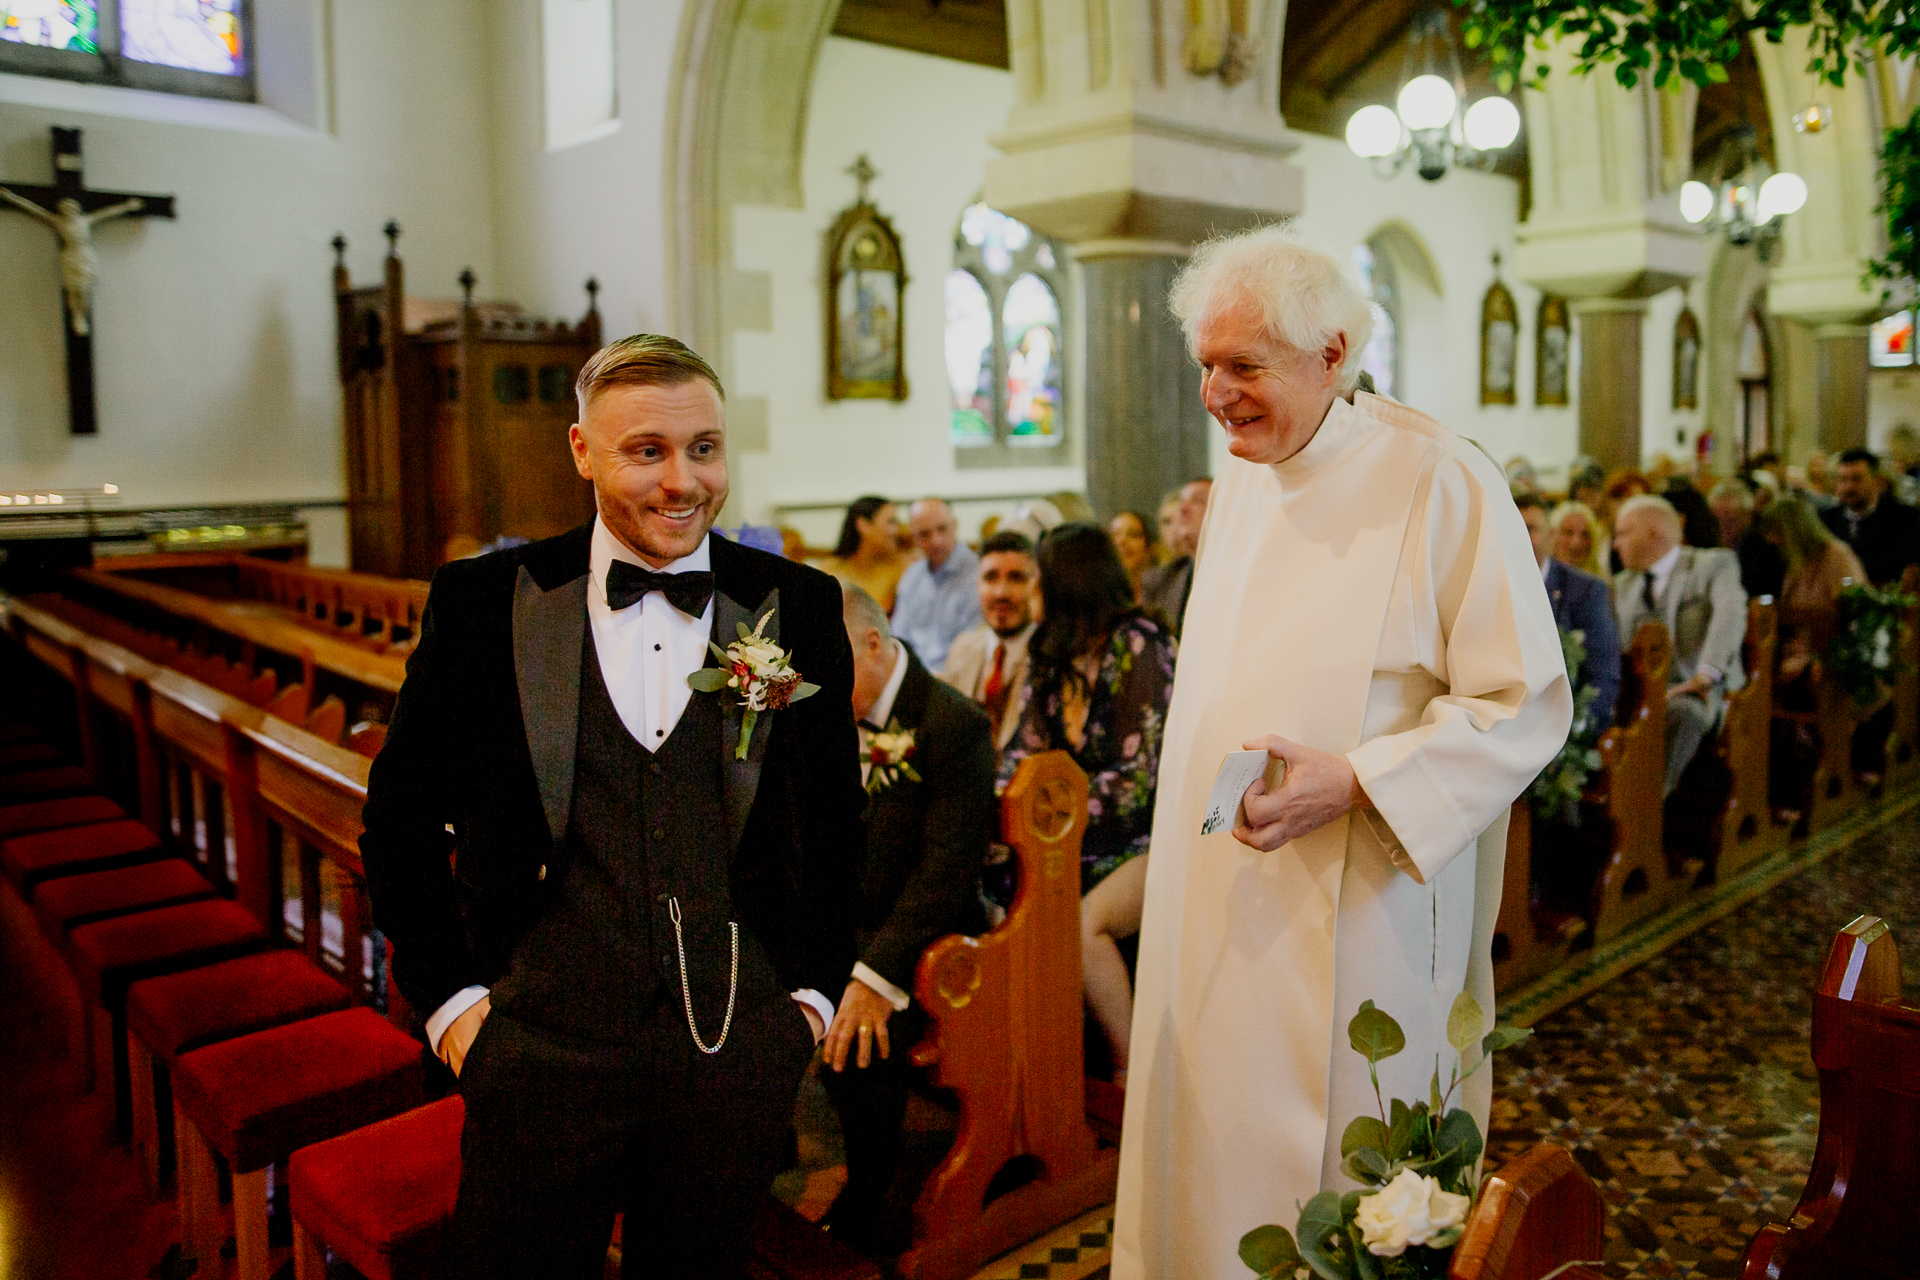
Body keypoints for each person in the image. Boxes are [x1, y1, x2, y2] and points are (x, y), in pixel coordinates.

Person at [1112, 231, 1570, 1280]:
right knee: (1204, 1165)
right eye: (1206, 365)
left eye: (1243, 366)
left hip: (1363, 905)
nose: (1216, 395)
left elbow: (1525, 702)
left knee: (1333, 1188)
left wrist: (1361, 777)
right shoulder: (1240, 479)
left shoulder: (1440, 479)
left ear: (1333, 353)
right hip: (1217, 904)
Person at [359, 334, 864, 1280]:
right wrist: (455, 1009)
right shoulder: (484, 603)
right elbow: (399, 824)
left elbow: (834, 821)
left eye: (705, 448)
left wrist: (807, 1003)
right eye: (648, 451)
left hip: (731, 1056)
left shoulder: (793, 605)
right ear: (583, 450)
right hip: (537, 1053)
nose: (684, 481)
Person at [820, 584, 995, 1254]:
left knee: (861, 1025)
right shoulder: (832, 713)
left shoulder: (953, 723)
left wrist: (873, 974)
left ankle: (874, 1186)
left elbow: (945, 877)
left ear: (873, 643)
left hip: (933, 937)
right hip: (851, 921)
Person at [999, 523, 1176, 1088]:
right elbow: (1019, 754)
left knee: (1080, 924)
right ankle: (1036, 1073)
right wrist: (1004, 801)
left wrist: (1049, 812)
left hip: (1153, 838)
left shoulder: (1141, 644)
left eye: (1034, 579)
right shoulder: (1051, 650)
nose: (1028, 594)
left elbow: (1137, 784)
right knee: (995, 891)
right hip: (1070, 837)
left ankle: (1131, 1074)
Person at [1612, 495, 1748, 796]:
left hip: (1695, 688)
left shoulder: (1712, 564)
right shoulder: (1623, 584)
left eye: (1622, 533)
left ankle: (1649, 804)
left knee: (1685, 713)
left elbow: (1730, 614)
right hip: (1639, 693)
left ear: (1655, 533)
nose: (1615, 544)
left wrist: (1705, 675)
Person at [1518, 493, 1620, 726]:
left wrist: (1578, 727)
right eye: (1512, 527)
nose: (1520, 536)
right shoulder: (1491, 586)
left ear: (1550, 535)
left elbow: (1602, 672)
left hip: (1564, 720)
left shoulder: (1585, 590)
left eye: (1531, 529)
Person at [944, 530, 1039, 750]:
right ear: (977, 585)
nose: (1000, 593)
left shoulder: (1051, 653)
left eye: (1016, 578)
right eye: (990, 577)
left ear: (1036, 586)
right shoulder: (962, 648)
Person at [889, 498, 981, 672]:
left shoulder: (979, 575)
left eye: (942, 529)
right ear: (913, 537)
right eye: (924, 534)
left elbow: (974, 645)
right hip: (914, 677)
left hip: (959, 677)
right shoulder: (911, 577)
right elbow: (899, 638)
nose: (936, 540)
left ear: (955, 525)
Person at [1822, 447, 1920, 587]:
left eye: (1857, 479)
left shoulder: (1904, 518)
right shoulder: (1828, 519)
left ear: (1876, 481)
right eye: (1843, 479)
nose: (1848, 487)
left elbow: (1904, 565)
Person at [1138, 477, 1211, 633]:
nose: (1183, 509)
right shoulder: (1161, 580)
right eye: (1181, 502)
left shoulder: (1241, 574)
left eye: (1198, 501)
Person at [828, 496, 910, 613]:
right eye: (891, 522)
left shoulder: (903, 570)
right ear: (863, 525)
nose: (897, 530)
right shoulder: (830, 571)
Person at [1710, 477, 1786, 600]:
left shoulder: (1764, 548)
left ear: (1747, 516)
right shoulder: (1707, 543)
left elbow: (1763, 595)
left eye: (1730, 520)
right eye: (1716, 520)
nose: (1722, 528)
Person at [1548, 500, 1607, 578]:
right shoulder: (1538, 579)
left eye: (1584, 535)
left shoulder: (1602, 584)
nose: (1576, 542)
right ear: (1552, 535)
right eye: (1568, 532)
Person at [1107, 509, 1156, 600]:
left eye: (1133, 535)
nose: (1122, 541)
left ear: (1149, 547)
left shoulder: (1163, 592)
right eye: (1115, 534)